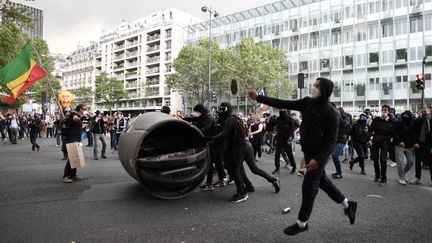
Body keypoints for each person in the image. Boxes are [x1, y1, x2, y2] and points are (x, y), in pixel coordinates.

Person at [247, 77, 357, 236]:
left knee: (309, 186)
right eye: (314, 85)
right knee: (324, 183)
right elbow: (283, 103)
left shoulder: (331, 113)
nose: (314, 87)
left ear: (325, 90)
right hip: (309, 152)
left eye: (317, 86)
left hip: (319, 155)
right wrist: (258, 97)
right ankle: (348, 205)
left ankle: (302, 222)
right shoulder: (306, 102)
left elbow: (331, 141)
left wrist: (318, 160)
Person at [206, 102, 249, 203]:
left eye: (222, 109)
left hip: (239, 147)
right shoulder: (228, 119)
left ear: (227, 109)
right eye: (219, 109)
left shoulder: (230, 119)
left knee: (235, 169)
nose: (220, 112)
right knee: (234, 169)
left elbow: (223, 134)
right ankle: (242, 190)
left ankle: (242, 193)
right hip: (234, 147)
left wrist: (210, 138)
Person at [182, 104, 226, 191]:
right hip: (215, 141)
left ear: (200, 111)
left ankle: (209, 184)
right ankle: (222, 180)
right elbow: (195, 118)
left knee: (210, 162)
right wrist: (184, 118)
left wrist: (193, 130)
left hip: (213, 142)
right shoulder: (204, 115)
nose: (195, 113)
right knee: (217, 161)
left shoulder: (208, 116)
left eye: (196, 111)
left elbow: (205, 128)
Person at [369, 105, 393, 184]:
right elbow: (371, 129)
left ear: (388, 111)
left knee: (383, 160)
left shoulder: (391, 121)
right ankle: (377, 175)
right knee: (375, 158)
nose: (384, 111)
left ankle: (384, 177)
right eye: (382, 110)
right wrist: (369, 139)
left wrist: (389, 140)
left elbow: (392, 133)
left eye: (385, 110)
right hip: (375, 141)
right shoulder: (376, 119)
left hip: (384, 142)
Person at [63, 104, 86, 183]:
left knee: (75, 158)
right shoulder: (75, 114)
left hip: (76, 139)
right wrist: (80, 119)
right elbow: (75, 119)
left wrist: (82, 126)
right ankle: (66, 176)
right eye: (83, 109)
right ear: (80, 109)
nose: (84, 110)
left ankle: (73, 174)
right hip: (72, 139)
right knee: (71, 158)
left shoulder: (78, 115)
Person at [393, 110, 415, 185]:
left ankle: (403, 174)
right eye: (404, 114)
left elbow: (413, 136)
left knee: (411, 161)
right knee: (400, 161)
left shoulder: (412, 125)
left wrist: (411, 144)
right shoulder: (398, 123)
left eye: (407, 115)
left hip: (409, 146)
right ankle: (401, 177)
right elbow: (395, 133)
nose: (405, 116)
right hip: (399, 144)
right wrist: (400, 141)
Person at [410, 106, 432, 185]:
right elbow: (413, 133)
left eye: (426, 111)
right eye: (423, 111)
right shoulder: (417, 121)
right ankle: (417, 178)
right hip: (419, 145)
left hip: (429, 146)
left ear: (430, 112)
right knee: (418, 162)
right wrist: (414, 142)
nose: (424, 113)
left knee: (431, 163)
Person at [273, 109, 296, 174]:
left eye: (282, 109)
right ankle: (277, 168)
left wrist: (290, 139)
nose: (281, 110)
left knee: (289, 154)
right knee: (277, 153)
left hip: (287, 139)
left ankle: (294, 167)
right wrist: (273, 117)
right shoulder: (278, 118)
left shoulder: (289, 119)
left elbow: (292, 129)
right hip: (280, 138)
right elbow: (272, 124)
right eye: (280, 109)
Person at [331, 107, 350, 179]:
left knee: (335, 155)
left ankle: (339, 173)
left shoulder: (346, 118)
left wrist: (339, 116)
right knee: (331, 156)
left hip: (342, 140)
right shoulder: (335, 119)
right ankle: (338, 172)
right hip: (335, 140)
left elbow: (344, 124)